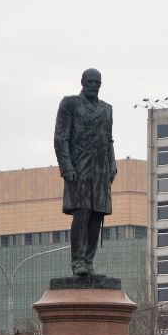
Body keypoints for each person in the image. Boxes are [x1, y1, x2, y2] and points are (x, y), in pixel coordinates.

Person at [54, 67, 117, 278]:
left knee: (97, 215)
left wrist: (112, 164)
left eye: (97, 82)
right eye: (89, 81)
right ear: (82, 82)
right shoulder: (69, 103)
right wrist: (67, 167)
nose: (93, 85)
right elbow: (60, 138)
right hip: (79, 169)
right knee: (81, 213)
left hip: (100, 171)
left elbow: (109, 140)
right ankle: (78, 261)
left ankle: (89, 261)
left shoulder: (107, 109)